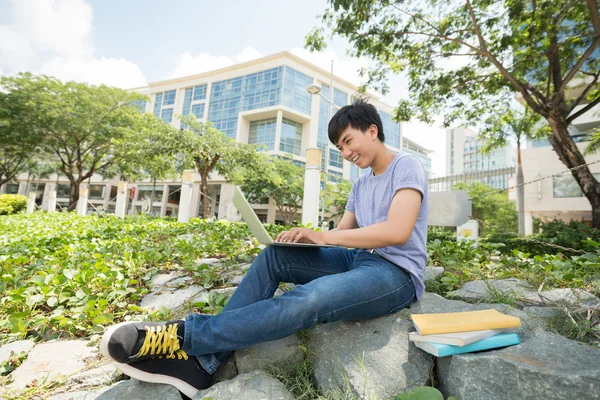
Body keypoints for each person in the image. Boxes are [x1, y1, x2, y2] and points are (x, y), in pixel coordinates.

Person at [100, 98, 429, 398]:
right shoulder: (361, 183)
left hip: (395, 273)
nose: (344, 153)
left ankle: (183, 337)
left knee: (311, 298)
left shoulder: (406, 166)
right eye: (339, 147)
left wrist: (325, 238)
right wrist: (310, 238)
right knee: (276, 256)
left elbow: (397, 231)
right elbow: (343, 233)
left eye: (347, 141)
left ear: (372, 131)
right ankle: (202, 366)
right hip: (357, 260)